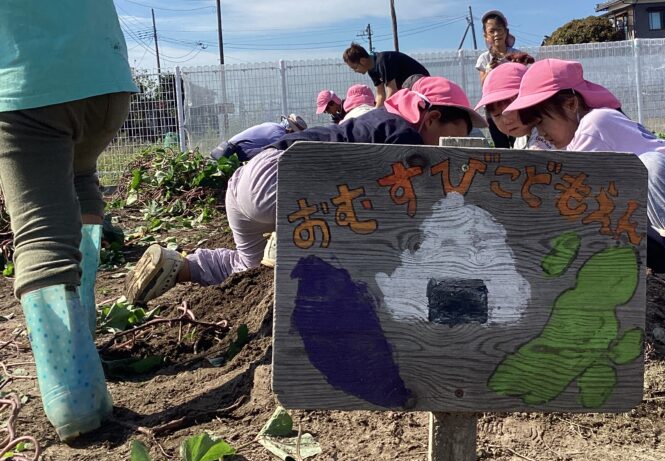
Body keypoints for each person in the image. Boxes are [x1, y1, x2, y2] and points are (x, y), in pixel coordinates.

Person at [0, 0, 204, 441]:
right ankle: (84, 346)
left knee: (38, 236)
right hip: (103, 90)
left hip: (21, 97)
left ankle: (76, 401)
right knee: (81, 190)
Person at [126, 77, 486, 300]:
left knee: (245, 266)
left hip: (244, 183)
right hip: (282, 178)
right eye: (451, 138)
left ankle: (183, 265)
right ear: (433, 117)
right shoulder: (402, 133)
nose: (447, 151)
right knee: (360, 219)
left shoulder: (377, 121)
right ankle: (285, 246)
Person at [506, 59, 665, 301]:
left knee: (650, 165)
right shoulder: (577, 134)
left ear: (571, 104)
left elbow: (562, 179)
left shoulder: (597, 122)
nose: (541, 134)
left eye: (541, 122)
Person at [475, 10, 532, 147]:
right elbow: (483, 85)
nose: (496, 34)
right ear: (485, 35)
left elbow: (526, 79)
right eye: (492, 31)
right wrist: (490, 69)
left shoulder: (517, 54)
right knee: (500, 143)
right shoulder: (484, 59)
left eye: (499, 30)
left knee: (519, 139)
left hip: (515, 105)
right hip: (493, 109)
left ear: (506, 32)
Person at [474, 63, 552, 150]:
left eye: (511, 109)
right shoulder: (521, 138)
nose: (506, 120)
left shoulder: (548, 135)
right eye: (497, 115)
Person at [343, 43, 430, 107]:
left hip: (421, 85)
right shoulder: (371, 70)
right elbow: (380, 94)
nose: (355, 71)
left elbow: (392, 91)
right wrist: (375, 113)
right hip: (408, 88)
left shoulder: (383, 60)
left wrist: (385, 112)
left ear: (362, 61)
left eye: (354, 67)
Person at [210, 114, 307, 162]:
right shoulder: (278, 132)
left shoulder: (273, 125)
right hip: (239, 151)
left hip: (237, 148)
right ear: (290, 130)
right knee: (274, 153)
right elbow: (285, 151)